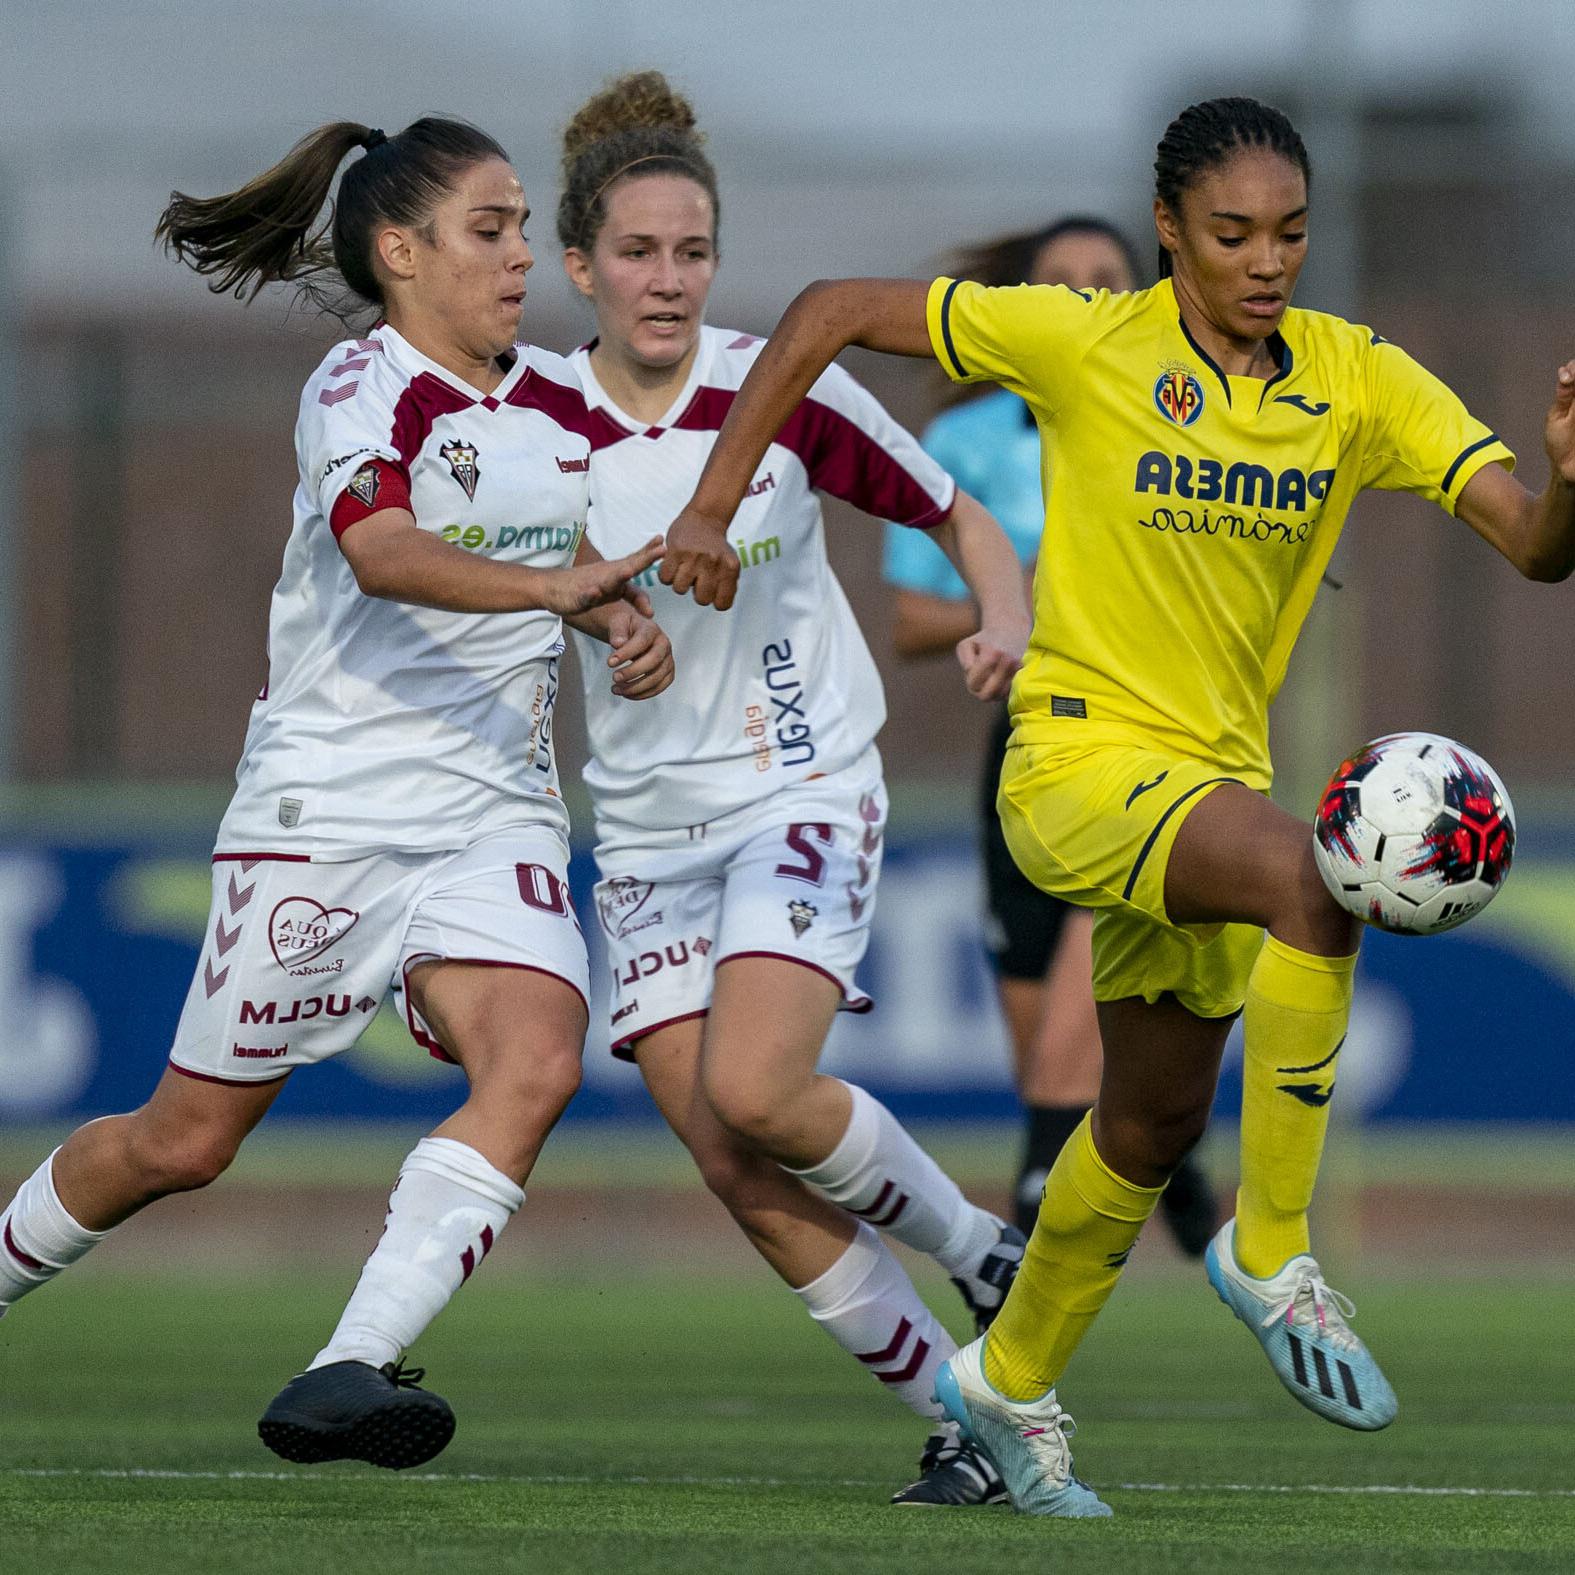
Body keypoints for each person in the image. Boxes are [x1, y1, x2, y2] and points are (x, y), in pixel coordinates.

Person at [655, 94, 1575, 1517]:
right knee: (1319, 880)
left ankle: (1001, 1385)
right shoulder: (1084, 339)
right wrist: (710, 506)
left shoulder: (1352, 378)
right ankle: (1272, 1248)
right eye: (1229, 234)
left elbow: (1527, 545)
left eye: (1287, 233)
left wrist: (1567, 479)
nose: (1264, 260)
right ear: (1167, 232)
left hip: (1208, 784)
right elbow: (829, 308)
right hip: (1074, 761)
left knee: (1142, 1130)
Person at [0, 117, 674, 1471]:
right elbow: (382, 549)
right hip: (327, 820)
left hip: (492, 817)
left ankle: (346, 1363)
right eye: (488, 228)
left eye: (521, 227)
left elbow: (553, 536)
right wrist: (554, 590)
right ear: (398, 249)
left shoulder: (549, 394)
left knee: (539, 1054)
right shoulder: (358, 387)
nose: (520, 254)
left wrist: (613, 614)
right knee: (182, 1141)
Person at [555, 73, 1032, 1507]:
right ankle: (967, 1416)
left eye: (690, 250)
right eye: (635, 252)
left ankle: (971, 1244)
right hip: (641, 827)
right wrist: (606, 621)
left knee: (757, 1084)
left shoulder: (780, 388)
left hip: (799, 781)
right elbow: (499, 588)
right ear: (579, 266)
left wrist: (997, 612)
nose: (666, 277)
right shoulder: (525, 420)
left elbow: (956, 513)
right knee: (727, 1149)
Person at [884, 216, 1218, 1252]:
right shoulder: (966, 441)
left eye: (1103, 281)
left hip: (1145, 756)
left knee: (1059, 1092)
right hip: (1025, 760)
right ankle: (1196, 1201)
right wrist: (1011, 609)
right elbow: (910, 623)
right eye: (1058, 282)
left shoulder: (1187, 421)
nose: (1080, 298)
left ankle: (1010, 1353)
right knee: (1061, 1071)